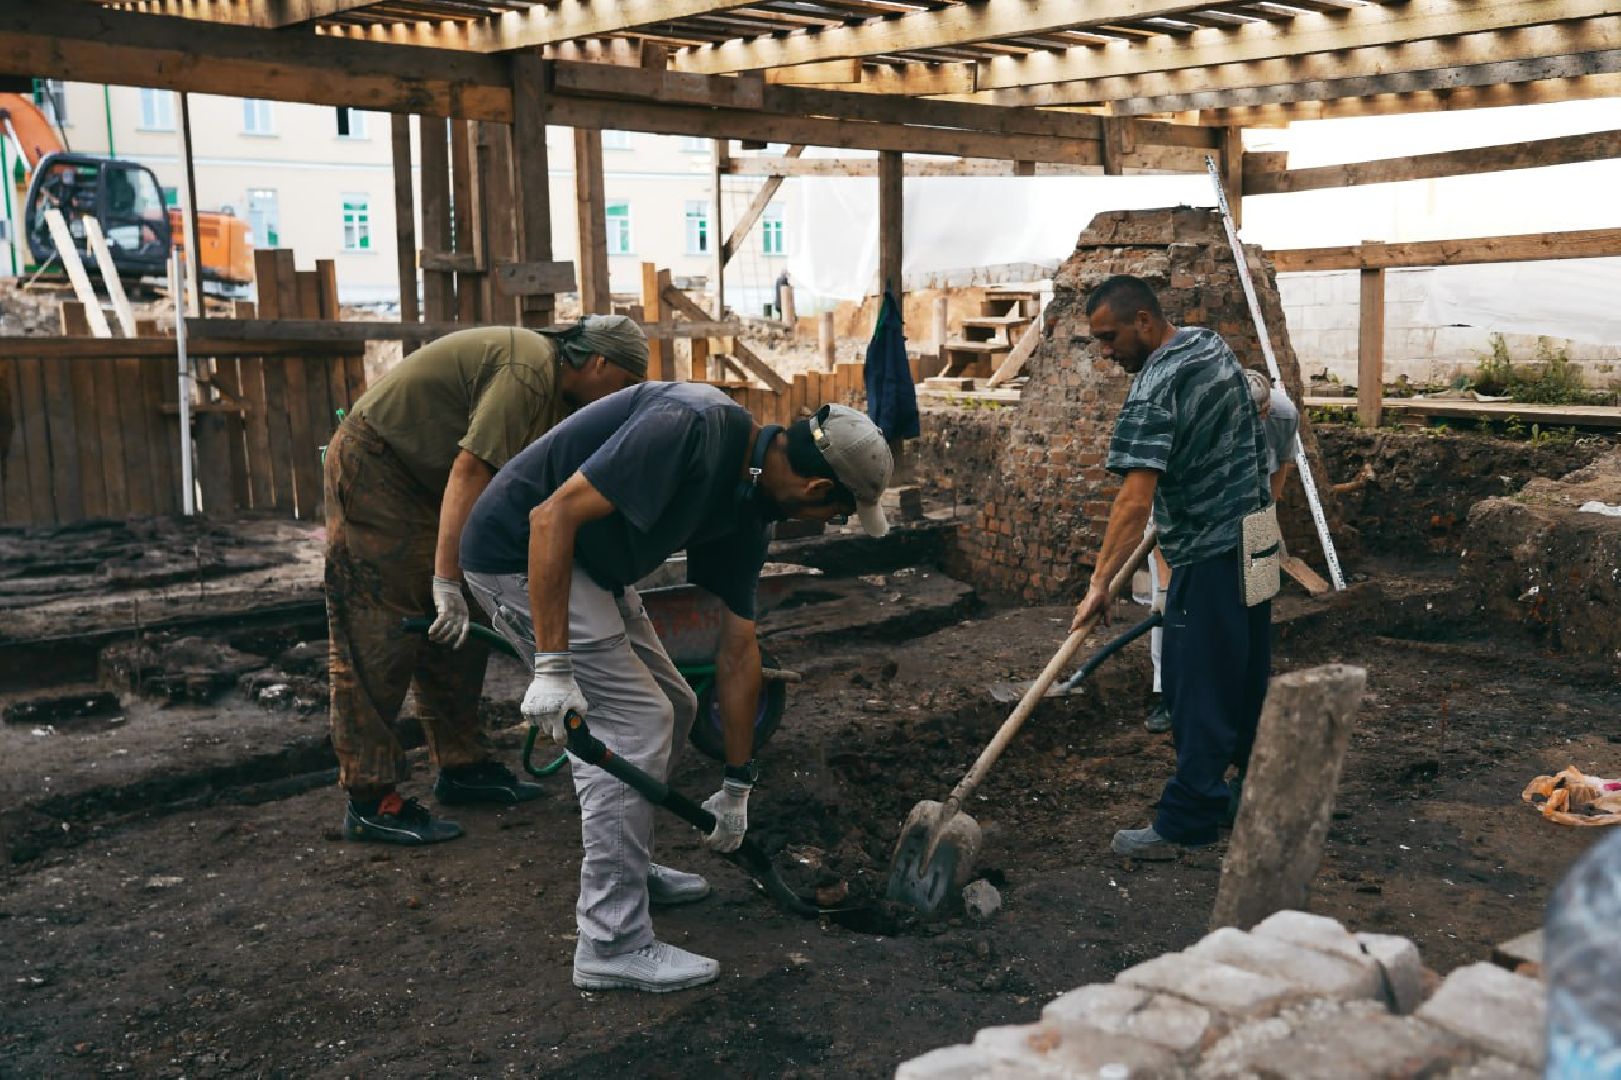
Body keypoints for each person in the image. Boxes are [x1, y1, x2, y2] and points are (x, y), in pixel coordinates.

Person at [458, 387, 893, 993]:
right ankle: (611, 942)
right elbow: (549, 517)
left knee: (678, 705)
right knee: (635, 723)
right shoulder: (693, 427)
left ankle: (628, 866)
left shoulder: (750, 510)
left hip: (592, 568)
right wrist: (553, 668)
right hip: (518, 554)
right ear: (818, 490)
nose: (831, 524)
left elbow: (738, 651)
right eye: (839, 514)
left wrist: (737, 785)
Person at [325, 318, 645, 846]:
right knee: (379, 628)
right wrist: (445, 579)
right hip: (382, 465)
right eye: (624, 383)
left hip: (432, 481)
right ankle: (370, 797)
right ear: (599, 362)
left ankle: (461, 764)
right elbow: (471, 469)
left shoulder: (559, 399)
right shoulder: (530, 368)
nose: (621, 398)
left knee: (463, 625)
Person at [1068, 275, 1272, 859]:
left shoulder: (1155, 387)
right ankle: (1254, 791)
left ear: (1143, 321)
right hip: (1258, 537)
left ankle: (1189, 817)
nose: (1105, 352)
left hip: (1211, 551)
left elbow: (1134, 501)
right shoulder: (1209, 344)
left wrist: (1100, 583)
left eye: (1110, 337)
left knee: (1194, 686)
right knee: (1247, 675)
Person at [1141, 369, 1298, 734]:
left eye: (1260, 417)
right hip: (1187, 520)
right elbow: (1162, 514)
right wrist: (1165, 584)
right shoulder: (1192, 422)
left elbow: (1281, 465)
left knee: (1249, 607)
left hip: (1249, 515)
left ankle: (1241, 696)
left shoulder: (1283, 414)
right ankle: (1167, 695)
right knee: (1174, 612)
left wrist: (1266, 517)